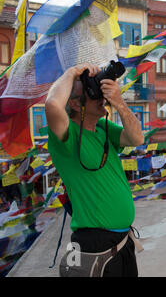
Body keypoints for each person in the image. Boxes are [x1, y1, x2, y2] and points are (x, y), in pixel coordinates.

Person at [45, 63, 144, 277]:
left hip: (123, 241)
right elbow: (53, 105)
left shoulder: (103, 128)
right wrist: (72, 73)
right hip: (94, 244)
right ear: (74, 103)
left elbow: (137, 138)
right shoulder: (67, 136)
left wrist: (119, 102)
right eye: (93, 93)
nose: (101, 96)